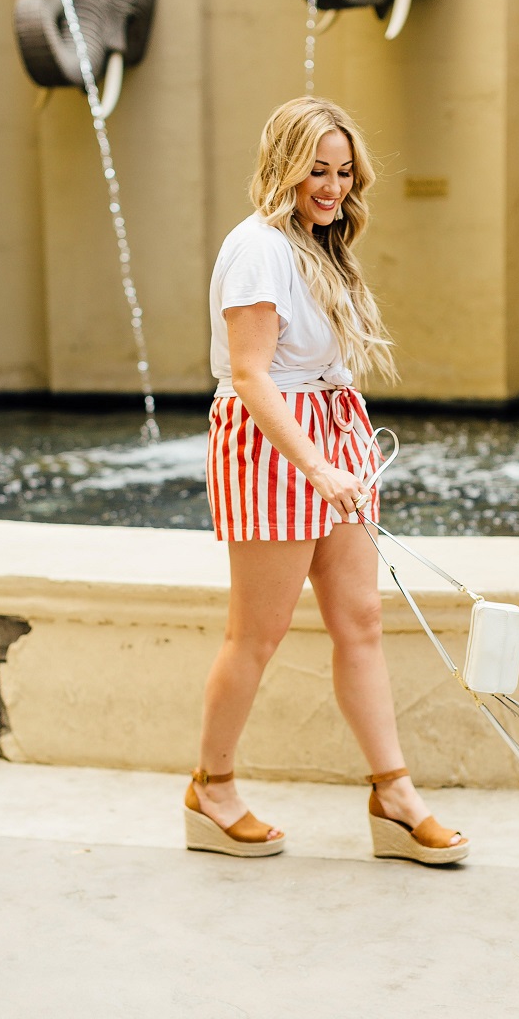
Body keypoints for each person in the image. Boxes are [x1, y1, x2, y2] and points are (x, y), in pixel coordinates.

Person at [183, 96, 468, 865]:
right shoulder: (257, 248)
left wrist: (337, 457)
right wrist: (315, 464)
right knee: (259, 634)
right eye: (317, 169)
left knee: (362, 621)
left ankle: (394, 796)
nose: (332, 186)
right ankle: (211, 790)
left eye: (343, 172)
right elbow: (250, 374)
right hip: (275, 444)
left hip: (333, 436)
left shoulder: (322, 246)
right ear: (284, 164)